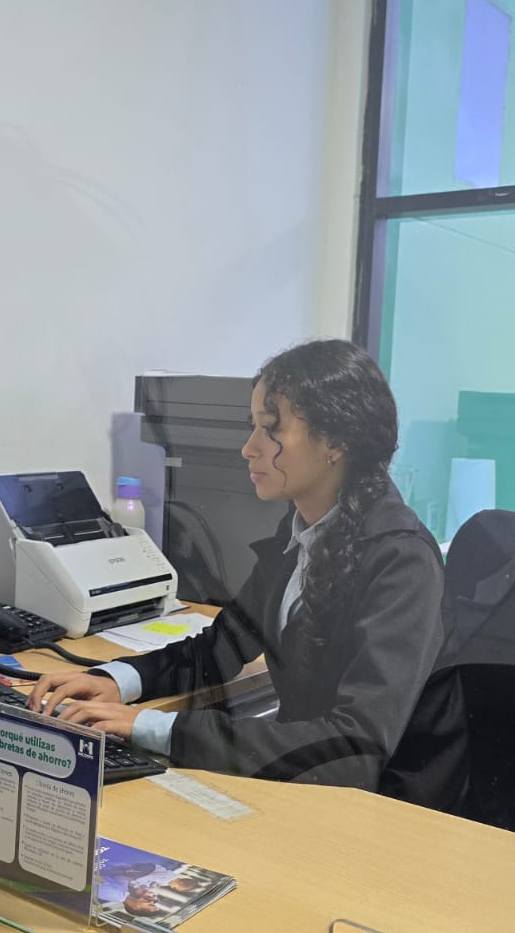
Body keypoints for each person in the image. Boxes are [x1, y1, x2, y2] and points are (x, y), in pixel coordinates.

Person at [29, 339, 469, 810]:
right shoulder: (304, 532)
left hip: (390, 809)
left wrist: (151, 726)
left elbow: (355, 748)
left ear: (336, 442)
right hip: (309, 787)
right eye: (252, 427)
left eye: (270, 429)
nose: (248, 448)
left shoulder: (402, 560)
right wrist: (118, 680)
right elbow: (220, 647)